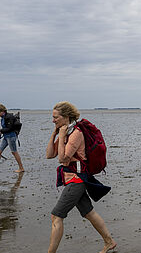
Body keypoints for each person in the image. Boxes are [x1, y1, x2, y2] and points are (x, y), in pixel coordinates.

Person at [46, 101, 116, 253]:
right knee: (89, 213)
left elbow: (62, 158)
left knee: (56, 216)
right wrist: (54, 133)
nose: (53, 120)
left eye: (55, 117)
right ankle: (109, 242)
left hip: (77, 180)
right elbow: (50, 154)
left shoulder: (76, 133)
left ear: (66, 117)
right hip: (73, 178)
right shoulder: (66, 132)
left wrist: (62, 134)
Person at [0, 104, 25, 173]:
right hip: (6, 137)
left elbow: (10, 128)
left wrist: (1, 130)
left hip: (11, 136)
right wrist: (0, 132)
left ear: (3, 111)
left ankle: (21, 168)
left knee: (14, 152)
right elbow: (6, 128)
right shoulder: (3, 117)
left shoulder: (9, 117)